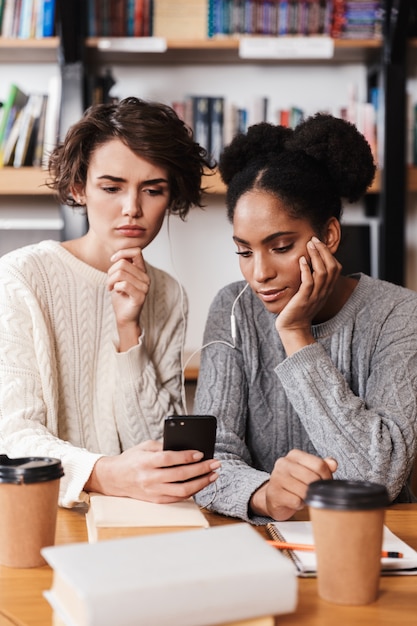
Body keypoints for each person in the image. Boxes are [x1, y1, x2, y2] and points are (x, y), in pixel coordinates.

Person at [193, 112, 417, 524]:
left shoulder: (399, 315)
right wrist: (263, 494)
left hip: (370, 540)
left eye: (280, 246)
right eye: (244, 251)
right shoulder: (233, 308)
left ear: (328, 236)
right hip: (262, 540)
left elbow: (378, 478)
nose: (259, 273)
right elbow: (207, 459)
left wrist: (296, 334)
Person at [0, 96, 221, 507]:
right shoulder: (21, 278)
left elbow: (157, 447)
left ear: (171, 197)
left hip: (139, 515)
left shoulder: (168, 294)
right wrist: (103, 473)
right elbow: (13, 437)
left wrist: (128, 331)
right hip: (42, 509)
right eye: (111, 187)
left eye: (152, 190)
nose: (132, 209)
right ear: (78, 188)